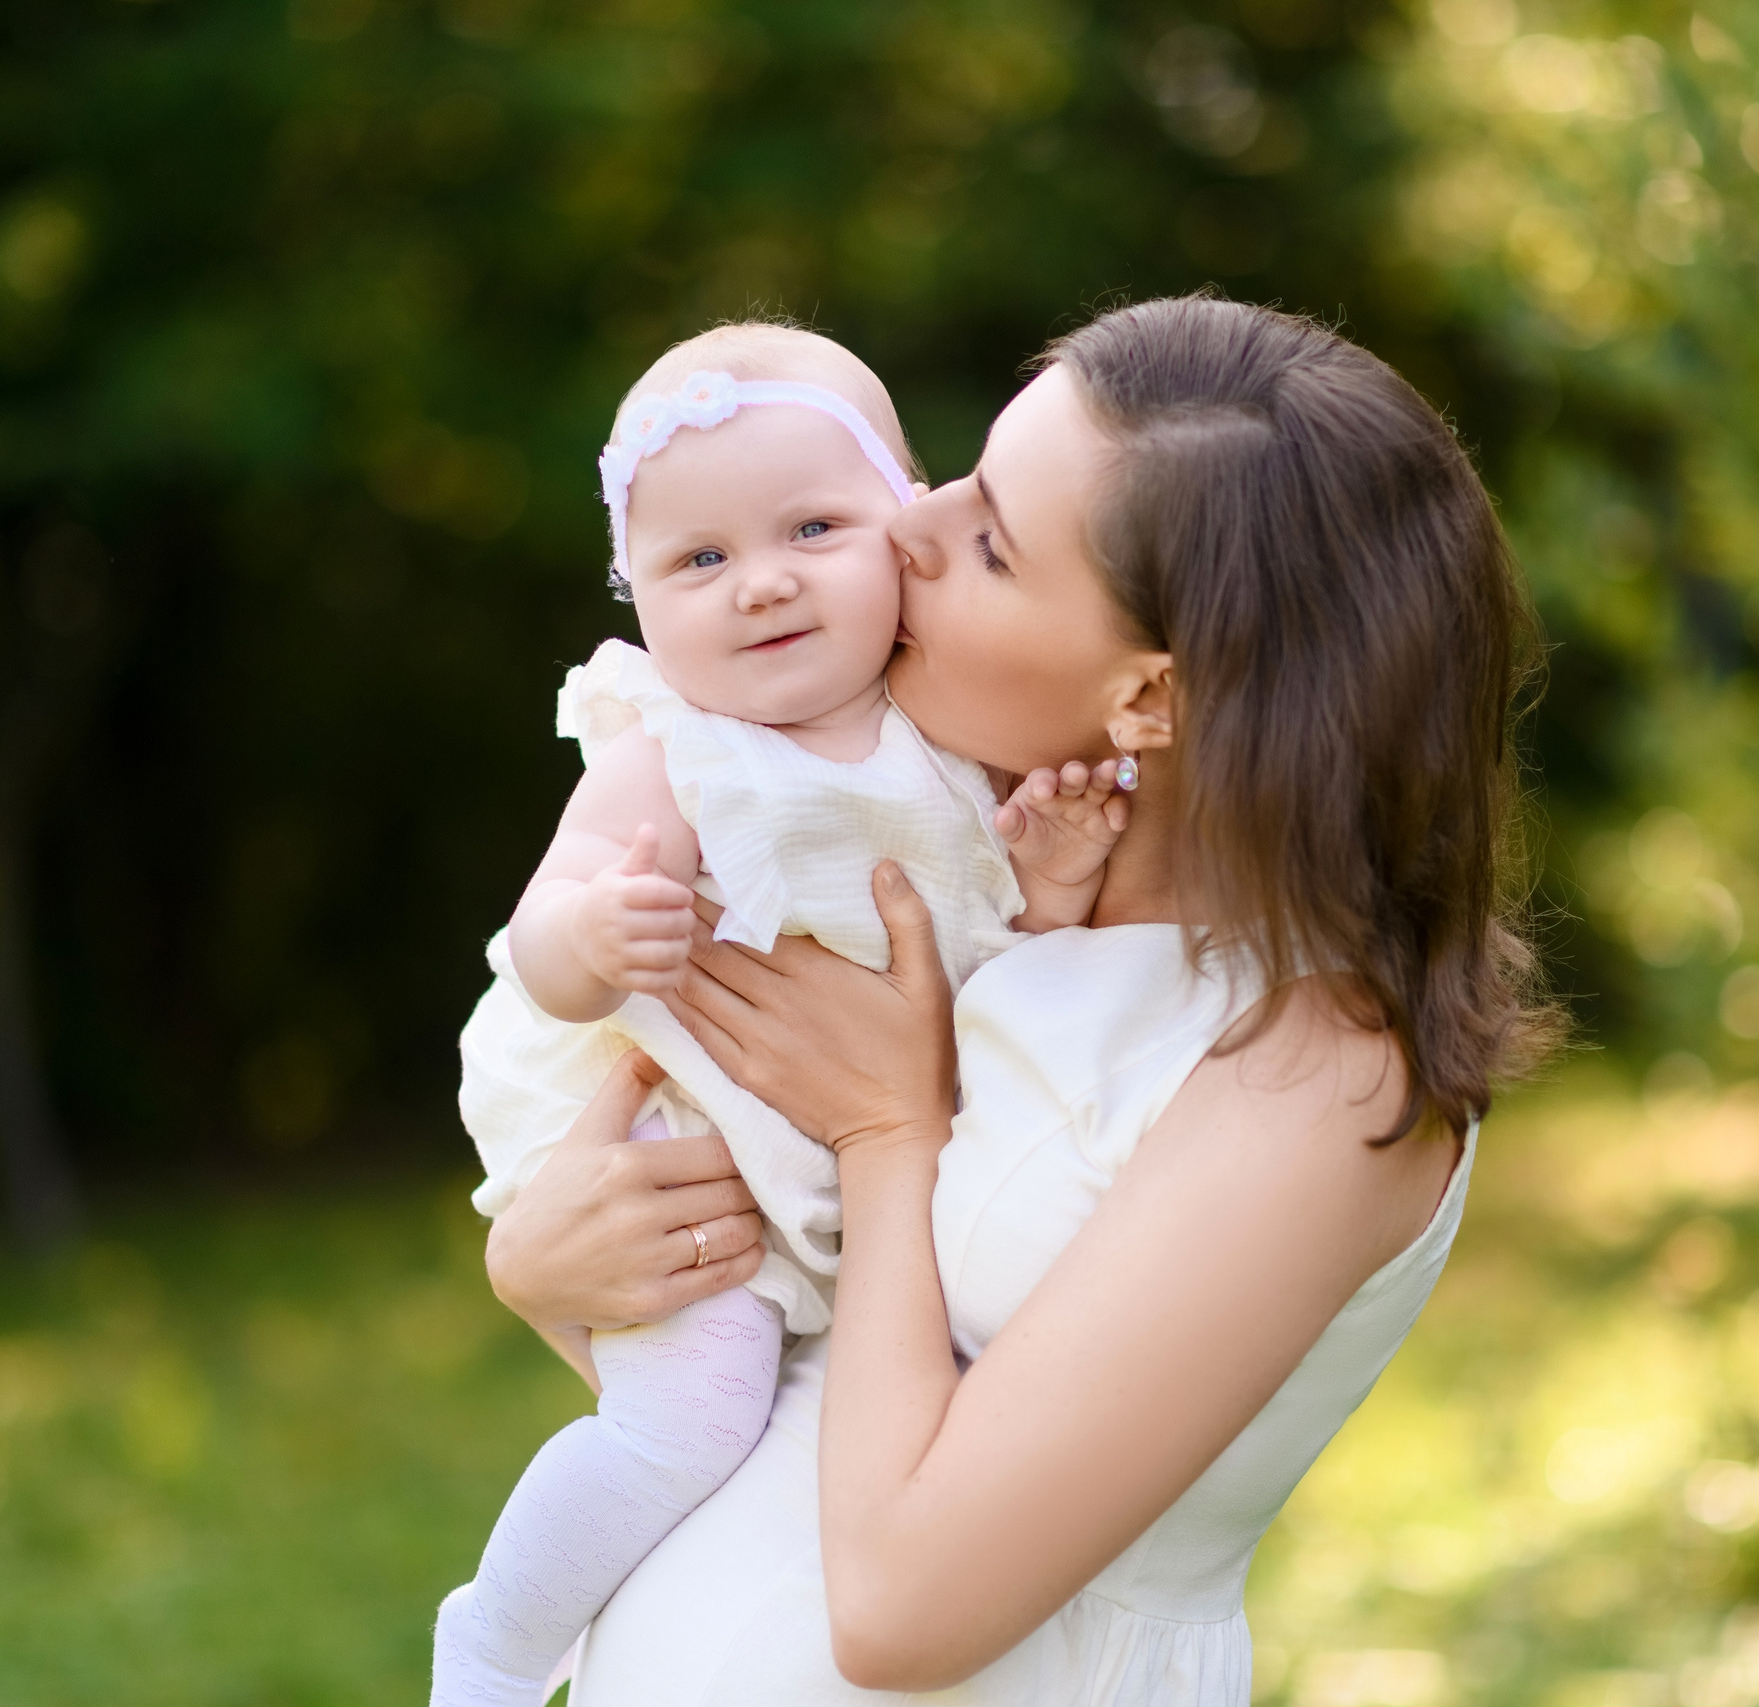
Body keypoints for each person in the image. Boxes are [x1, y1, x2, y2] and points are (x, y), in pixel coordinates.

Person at [482, 296, 1553, 1703]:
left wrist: (886, 1132)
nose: (907, 522)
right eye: (965, 476)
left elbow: (906, 1603)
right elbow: (801, 1383)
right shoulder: (962, 868)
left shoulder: (1317, 1067)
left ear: (1150, 699)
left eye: (988, 539)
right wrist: (550, 1268)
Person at [436, 322, 1129, 1707]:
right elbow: (540, 943)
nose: (760, 584)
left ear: (907, 527)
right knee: (689, 1423)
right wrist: (598, 933)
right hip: (689, 1157)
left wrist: (1051, 886)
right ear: (634, 594)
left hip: (867, 1159)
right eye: (698, 561)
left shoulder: (956, 736)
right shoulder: (672, 754)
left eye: (813, 527)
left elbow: (996, 971)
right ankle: (502, 1643)